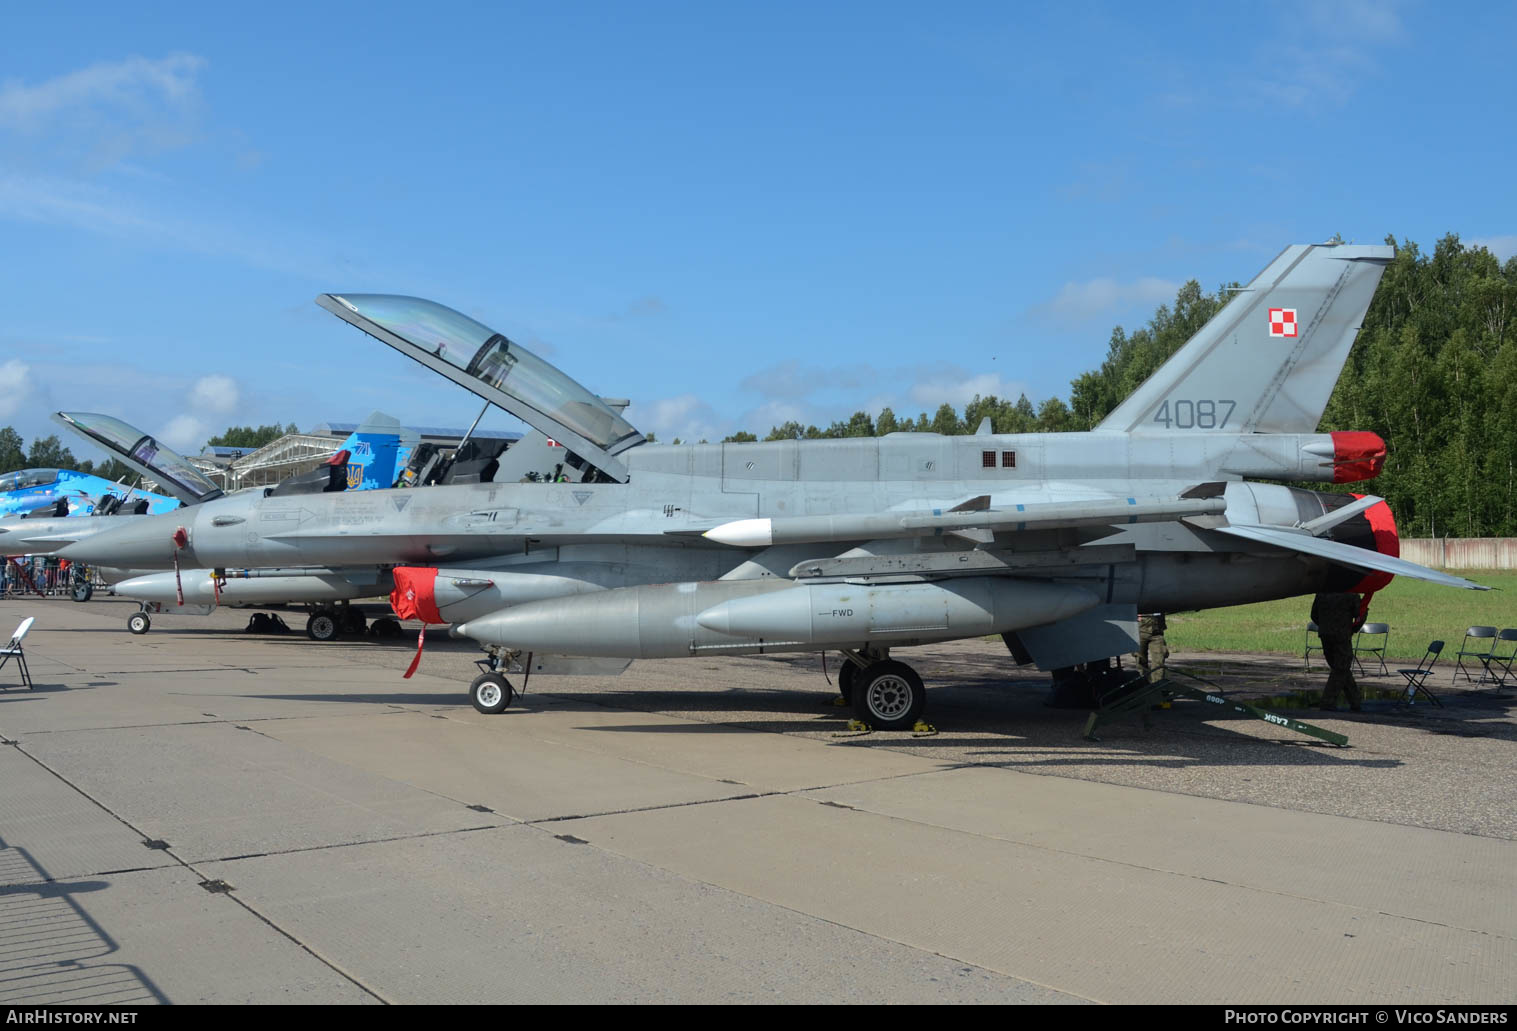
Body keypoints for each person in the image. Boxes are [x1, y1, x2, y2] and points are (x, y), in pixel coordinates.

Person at [1311, 591, 1365, 711]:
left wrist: (1325, 625)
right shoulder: (1351, 593)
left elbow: (1314, 615)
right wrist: (1353, 629)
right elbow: (1359, 615)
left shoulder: (1322, 592)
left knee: (1341, 667)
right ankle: (1327, 701)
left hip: (1325, 634)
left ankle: (1355, 701)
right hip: (1342, 634)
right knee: (1341, 668)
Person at [1137, 612, 1168, 684]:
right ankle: (1143, 685)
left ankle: (1157, 685)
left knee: (1159, 660)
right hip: (1140, 629)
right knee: (1140, 660)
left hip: (1157, 631)